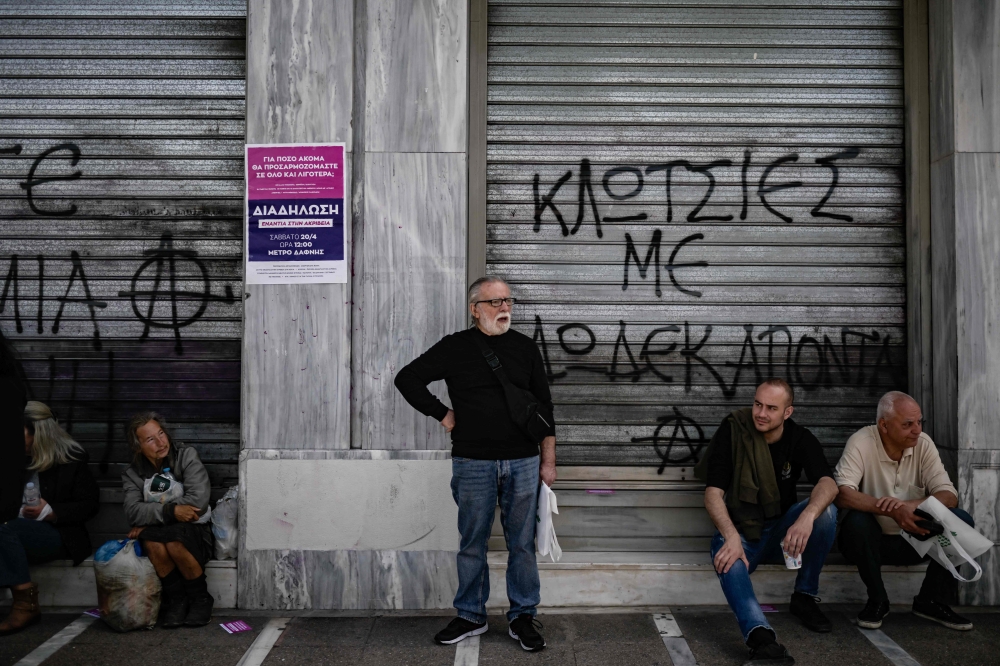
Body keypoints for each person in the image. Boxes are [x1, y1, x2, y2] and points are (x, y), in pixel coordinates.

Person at [394, 276, 555, 652]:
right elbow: (408, 379)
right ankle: (470, 614)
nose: (504, 309)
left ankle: (523, 616)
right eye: (495, 302)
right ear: (474, 309)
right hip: (472, 461)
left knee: (522, 545)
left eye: (508, 302)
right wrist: (444, 415)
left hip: (524, 461)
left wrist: (549, 460)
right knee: (472, 543)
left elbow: (545, 408)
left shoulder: (525, 348)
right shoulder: (455, 347)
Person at [695, 379, 838, 665]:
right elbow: (713, 494)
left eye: (771, 408)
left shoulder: (799, 438)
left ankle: (804, 596)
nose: (761, 413)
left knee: (827, 512)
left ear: (788, 412)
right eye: (758, 404)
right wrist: (732, 535)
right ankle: (762, 639)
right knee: (727, 558)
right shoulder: (735, 430)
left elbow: (828, 483)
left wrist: (806, 517)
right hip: (742, 532)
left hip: (782, 534)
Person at [834, 391, 974, 631]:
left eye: (919, 422)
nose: (917, 430)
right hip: (870, 545)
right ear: (884, 425)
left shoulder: (924, 444)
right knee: (856, 522)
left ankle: (931, 601)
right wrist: (891, 511)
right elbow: (843, 493)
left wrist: (910, 506)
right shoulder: (862, 441)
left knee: (961, 520)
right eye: (908, 424)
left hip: (915, 542)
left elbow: (948, 495)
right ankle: (878, 600)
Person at [0, 401, 99, 635]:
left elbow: (89, 505)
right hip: (13, 533)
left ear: (39, 433)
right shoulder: (10, 458)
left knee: (3, 529)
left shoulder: (70, 458)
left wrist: (51, 512)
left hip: (58, 535)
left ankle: (26, 604)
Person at [123, 412, 215, 628]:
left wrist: (151, 515)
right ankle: (176, 600)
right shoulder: (132, 473)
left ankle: (200, 598)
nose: (160, 442)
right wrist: (170, 512)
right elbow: (132, 511)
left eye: (161, 433)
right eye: (150, 439)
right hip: (163, 530)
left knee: (174, 541)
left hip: (195, 530)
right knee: (154, 543)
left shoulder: (186, 456)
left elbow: (197, 502)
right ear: (138, 447)